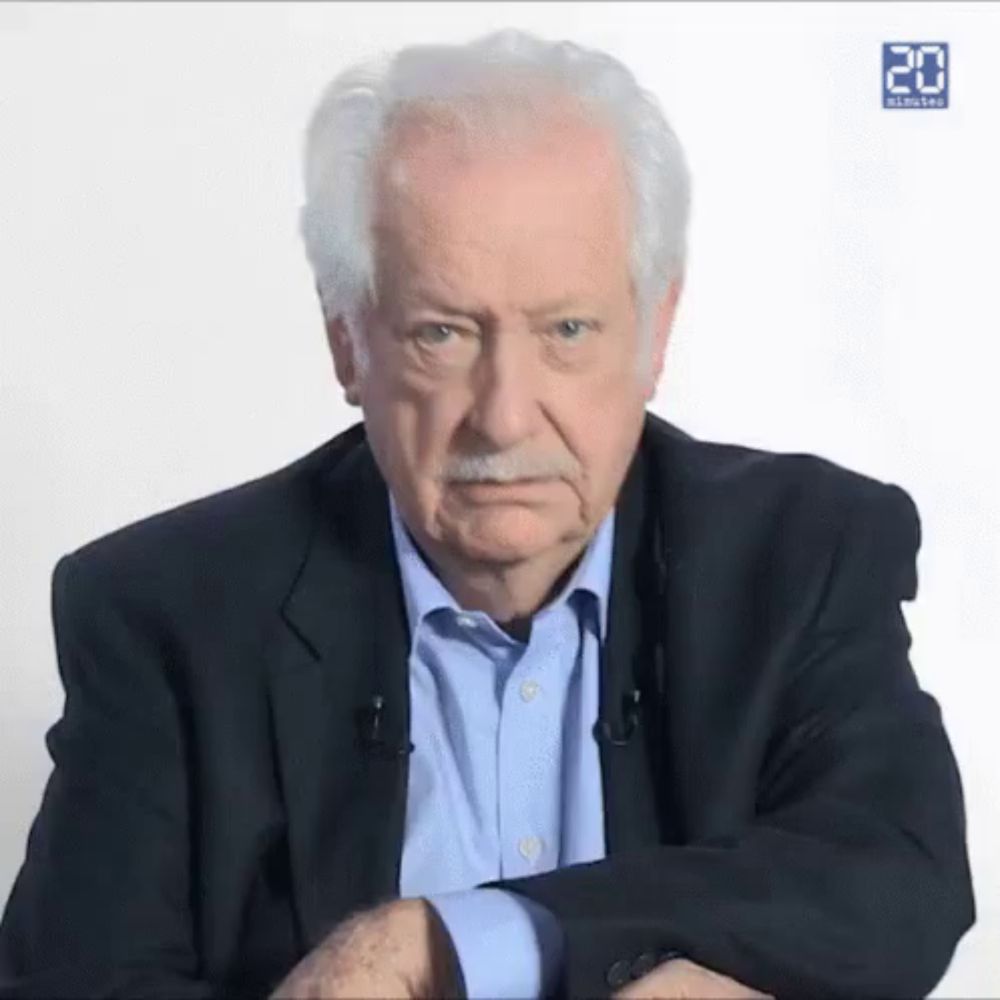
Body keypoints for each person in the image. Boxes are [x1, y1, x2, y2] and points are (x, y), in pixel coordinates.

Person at [0, 28, 975, 1000]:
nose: (504, 413)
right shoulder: (165, 613)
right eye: (441, 333)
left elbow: (895, 876)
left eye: (567, 330)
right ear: (347, 341)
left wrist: (443, 942)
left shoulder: (803, 554)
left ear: (654, 332)